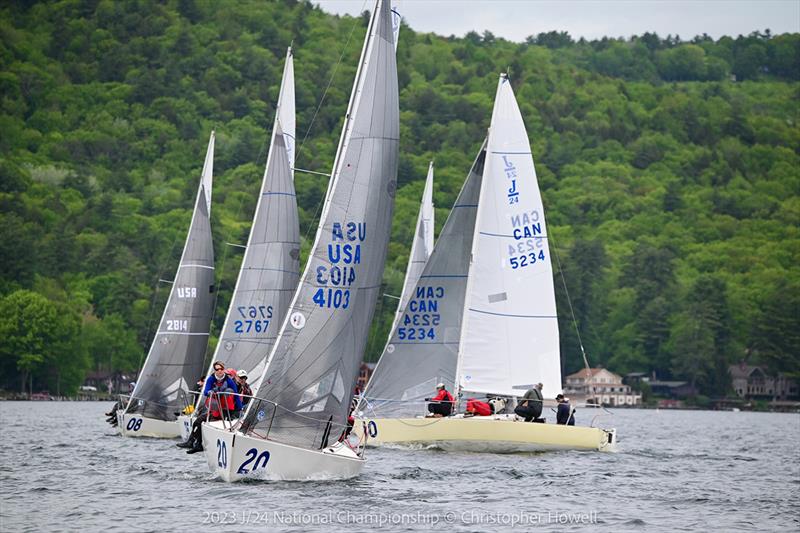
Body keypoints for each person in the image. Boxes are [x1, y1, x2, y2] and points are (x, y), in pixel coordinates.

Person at [182, 362, 242, 454]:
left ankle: (197, 444)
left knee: (228, 391)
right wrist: (210, 392)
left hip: (227, 411)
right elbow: (206, 391)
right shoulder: (211, 378)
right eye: (217, 369)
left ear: (223, 369)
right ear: (215, 370)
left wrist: (240, 409)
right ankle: (193, 442)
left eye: (221, 369)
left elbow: (236, 396)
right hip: (215, 409)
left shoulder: (229, 381)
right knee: (198, 421)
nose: (219, 371)